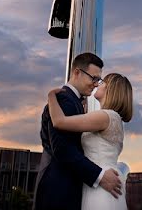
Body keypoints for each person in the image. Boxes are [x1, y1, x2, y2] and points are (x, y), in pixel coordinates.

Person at [33, 53, 123, 210]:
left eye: (98, 80)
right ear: (77, 72)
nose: (95, 84)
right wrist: (99, 176)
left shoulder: (73, 101)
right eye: (93, 78)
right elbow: (62, 148)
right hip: (59, 192)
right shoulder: (64, 99)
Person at [47, 71, 133, 210]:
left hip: (102, 183)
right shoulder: (113, 118)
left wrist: (51, 96)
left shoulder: (105, 117)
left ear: (110, 90)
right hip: (103, 179)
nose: (98, 84)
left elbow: (59, 122)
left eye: (102, 82)